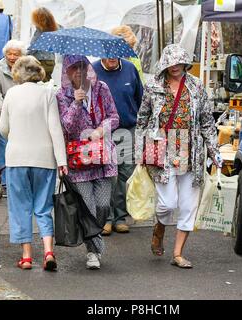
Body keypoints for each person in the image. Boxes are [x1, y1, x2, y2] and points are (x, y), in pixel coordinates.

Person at [135, 44, 221, 268]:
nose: (175, 67)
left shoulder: (196, 87)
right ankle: (160, 227)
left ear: (185, 63)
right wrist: (138, 150)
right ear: (164, 63)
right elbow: (142, 119)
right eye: (171, 63)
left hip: (191, 152)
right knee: (167, 203)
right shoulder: (153, 86)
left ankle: (178, 254)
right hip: (162, 149)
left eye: (179, 62)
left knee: (188, 204)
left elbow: (206, 122)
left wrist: (215, 152)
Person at [0, 55, 67, 271]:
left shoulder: (11, 94)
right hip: (44, 159)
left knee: (20, 207)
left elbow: (3, 128)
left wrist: (16, 136)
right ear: (39, 72)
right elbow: (56, 129)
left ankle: (27, 256)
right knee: (43, 207)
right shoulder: (48, 94)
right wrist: (62, 160)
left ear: (17, 72)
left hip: (17, 157)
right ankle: (48, 251)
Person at [57, 55, 119, 270]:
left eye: (83, 67)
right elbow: (66, 126)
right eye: (74, 69)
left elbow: (114, 116)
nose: (79, 72)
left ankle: (95, 239)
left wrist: (101, 130)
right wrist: (76, 101)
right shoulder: (62, 95)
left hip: (102, 158)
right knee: (88, 208)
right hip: (78, 162)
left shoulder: (102, 88)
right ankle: (93, 251)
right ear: (67, 72)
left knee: (102, 206)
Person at [92, 57, 143, 235]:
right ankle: (106, 218)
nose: (112, 57)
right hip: (103, 131)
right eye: (108, 53)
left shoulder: (130, 69)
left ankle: (120, 217)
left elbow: (140, 98)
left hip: (128, 129)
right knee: (107, 175)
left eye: (115, 54)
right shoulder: (93, 70)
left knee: (124, 174)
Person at [0, 40, 27, 190]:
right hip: (4, 113)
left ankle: (20, 180)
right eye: (9, 53)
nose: (12, 57)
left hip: (23, 114)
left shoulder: (26, 68)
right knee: (3, 145)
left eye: (16, 54)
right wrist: (6, 109)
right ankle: (4, 181)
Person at [27, 7, 58, 82]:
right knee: (46, 84)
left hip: (41, 61)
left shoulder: (39, 31)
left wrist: (24, 55)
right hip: (51, 61)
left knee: (39, 85)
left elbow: (33, 47)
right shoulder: (53, 28)